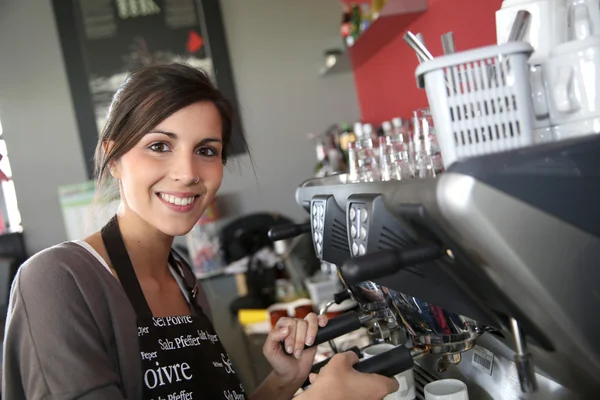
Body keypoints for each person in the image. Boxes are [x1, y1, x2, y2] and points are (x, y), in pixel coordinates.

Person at [2, 63, 399, 400]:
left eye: (206, 151)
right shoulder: (56, 281)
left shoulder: (181, 276)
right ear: (114, 157)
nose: (187, 174)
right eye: (159, 145)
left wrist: (284, 380)